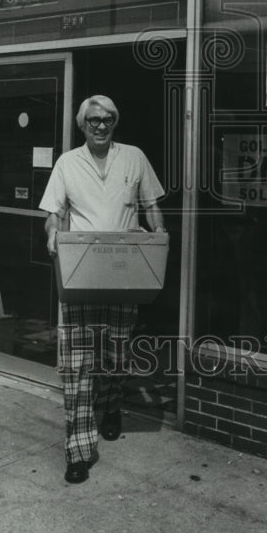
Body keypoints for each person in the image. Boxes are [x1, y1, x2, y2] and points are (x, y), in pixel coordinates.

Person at [39, 94, 166, 485]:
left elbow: (151, 206)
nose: (100, 125)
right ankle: (78, 449)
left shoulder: (134, 157)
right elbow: (54, 215)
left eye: (108, 118)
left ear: (115, 122)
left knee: (116, 351)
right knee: (76, 363)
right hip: (80, 273)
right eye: (93, 119)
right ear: (82, 125)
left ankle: (110, 403)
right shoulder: (66, 163)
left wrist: (159, 234)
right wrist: (52, 237)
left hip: (123, 271)